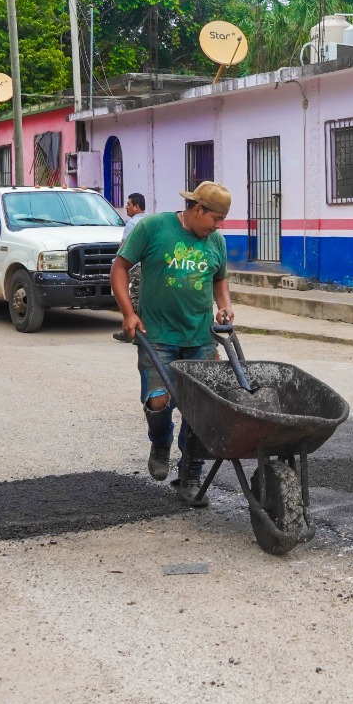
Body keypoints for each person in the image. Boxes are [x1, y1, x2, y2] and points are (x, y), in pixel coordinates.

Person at [111, 180, 235, 505]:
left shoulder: (216, 241)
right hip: (158, 336)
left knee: (200, 410)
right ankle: (161, 442)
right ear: (197, 209)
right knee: (158, 400)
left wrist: (224, 306)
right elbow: (120, 268)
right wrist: (128, 313)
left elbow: (219, 279)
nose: (218, 226)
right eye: (215, 219)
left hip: (200, 339)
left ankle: (190, 475)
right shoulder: (154, 227)